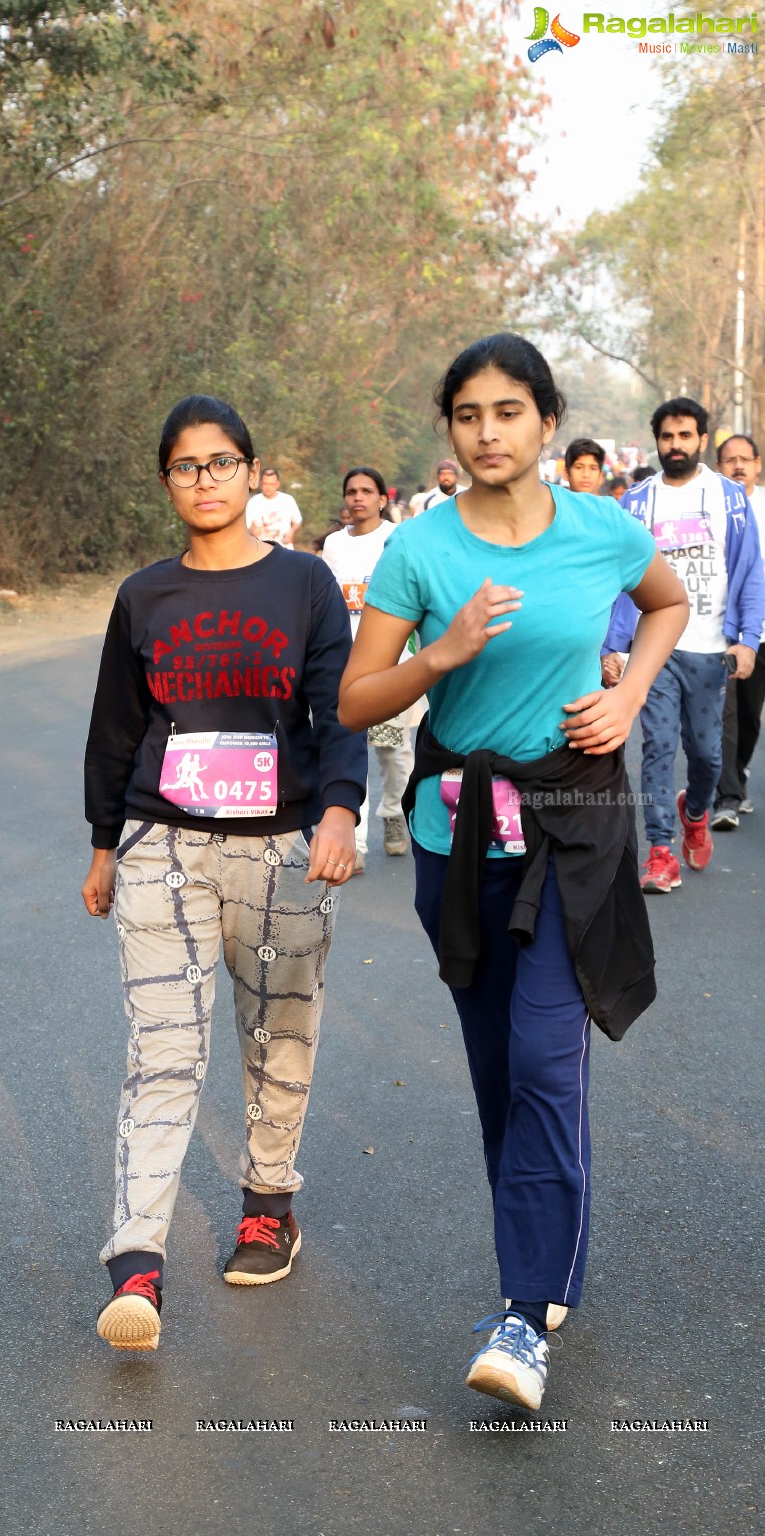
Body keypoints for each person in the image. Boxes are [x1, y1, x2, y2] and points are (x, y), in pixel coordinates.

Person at [338, 334, 686, 1412]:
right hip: (457, 841)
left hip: (572, 822)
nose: (487, 432)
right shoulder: (419, 552)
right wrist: (438, 658)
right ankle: (551, 1263)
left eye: (508, 412)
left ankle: (522, 1313)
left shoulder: (598, 530)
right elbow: (354, 702)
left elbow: (667, 604)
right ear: (449, 428)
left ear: (546, 421)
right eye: (467, 414)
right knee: (500, 1072)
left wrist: (625, 700)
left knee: (543, 1060)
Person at [83, 394, 367, 1352]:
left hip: (282, 845)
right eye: (183, 466)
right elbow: (116, 728)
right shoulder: (144, 595)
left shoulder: (306, 584)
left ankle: (265, 1203)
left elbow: (339, 706)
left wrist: (339, 808)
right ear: (167, 482)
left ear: (253, 472)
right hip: (162, 841)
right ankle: (136, 1265)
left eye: (220, 462)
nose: (202, 480)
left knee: (276, 1032)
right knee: (162, 1047)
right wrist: (100, 843)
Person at [604, 398, 764, 893]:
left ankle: (694, 811)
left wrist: (748, 640)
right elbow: (617, 580)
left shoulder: (730, 499)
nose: (676, 445)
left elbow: (751, 573)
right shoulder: (636, 503)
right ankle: (659, 852)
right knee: (656, 746)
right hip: (654, 648)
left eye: (686, 436)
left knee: (708, 755)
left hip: (711, 646)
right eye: (668, 437)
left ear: (701, 440)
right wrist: (612, 645)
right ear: (657, 440)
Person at [322, 467, 423, 868]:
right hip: (345, 666)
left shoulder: (397, 540)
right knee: (349, 749)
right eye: (351, 491)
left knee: (392, 750)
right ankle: (357, 842)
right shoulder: (333, 545)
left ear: (383, 499)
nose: (358, 497)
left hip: (392, 666)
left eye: (367, 491)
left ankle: (395, 811)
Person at [712, 434, 765, 827]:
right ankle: (727, 796)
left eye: (745, 459)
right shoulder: (715, 506)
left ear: (758, 464)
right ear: (719, 467)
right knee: (726, 716)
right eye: (730, 460)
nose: (738, 466)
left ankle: (738, 773)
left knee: (750, 716)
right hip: (727, 632)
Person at [245, 466, 302, 547]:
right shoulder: (253, 501)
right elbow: (246, 527)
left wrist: (291, 532)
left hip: (284, 548)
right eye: (266, 484)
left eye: (272, 484)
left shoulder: (288, 500)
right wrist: (252, 531)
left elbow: (297, 521)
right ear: (261, 483)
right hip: (262, 549)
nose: (268, 487)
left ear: (278, 484)